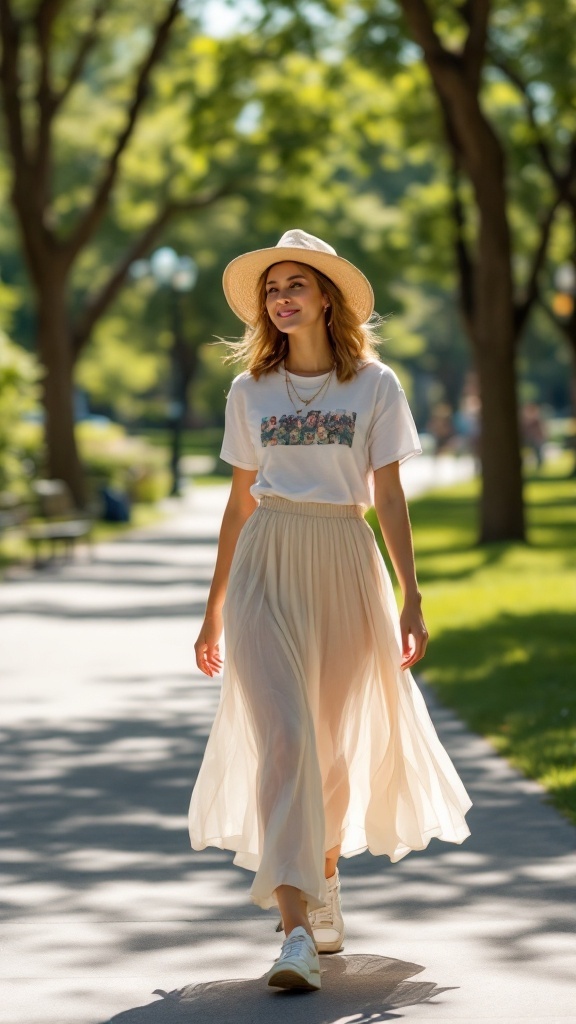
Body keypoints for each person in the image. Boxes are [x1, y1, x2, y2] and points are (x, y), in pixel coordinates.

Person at [188, 229, 472, 993]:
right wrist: (213, 608)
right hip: (268, 563)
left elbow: (388, 497)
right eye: (271, 289)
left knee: (334, 745)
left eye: (294, 287)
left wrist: (412, 594)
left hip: (347, 560)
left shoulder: (375, 387)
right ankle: (294, 934)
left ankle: (323, 877)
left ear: (326, 298)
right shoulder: (248, 392)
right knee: (284, 737)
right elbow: (238, 502)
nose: (280, 299)